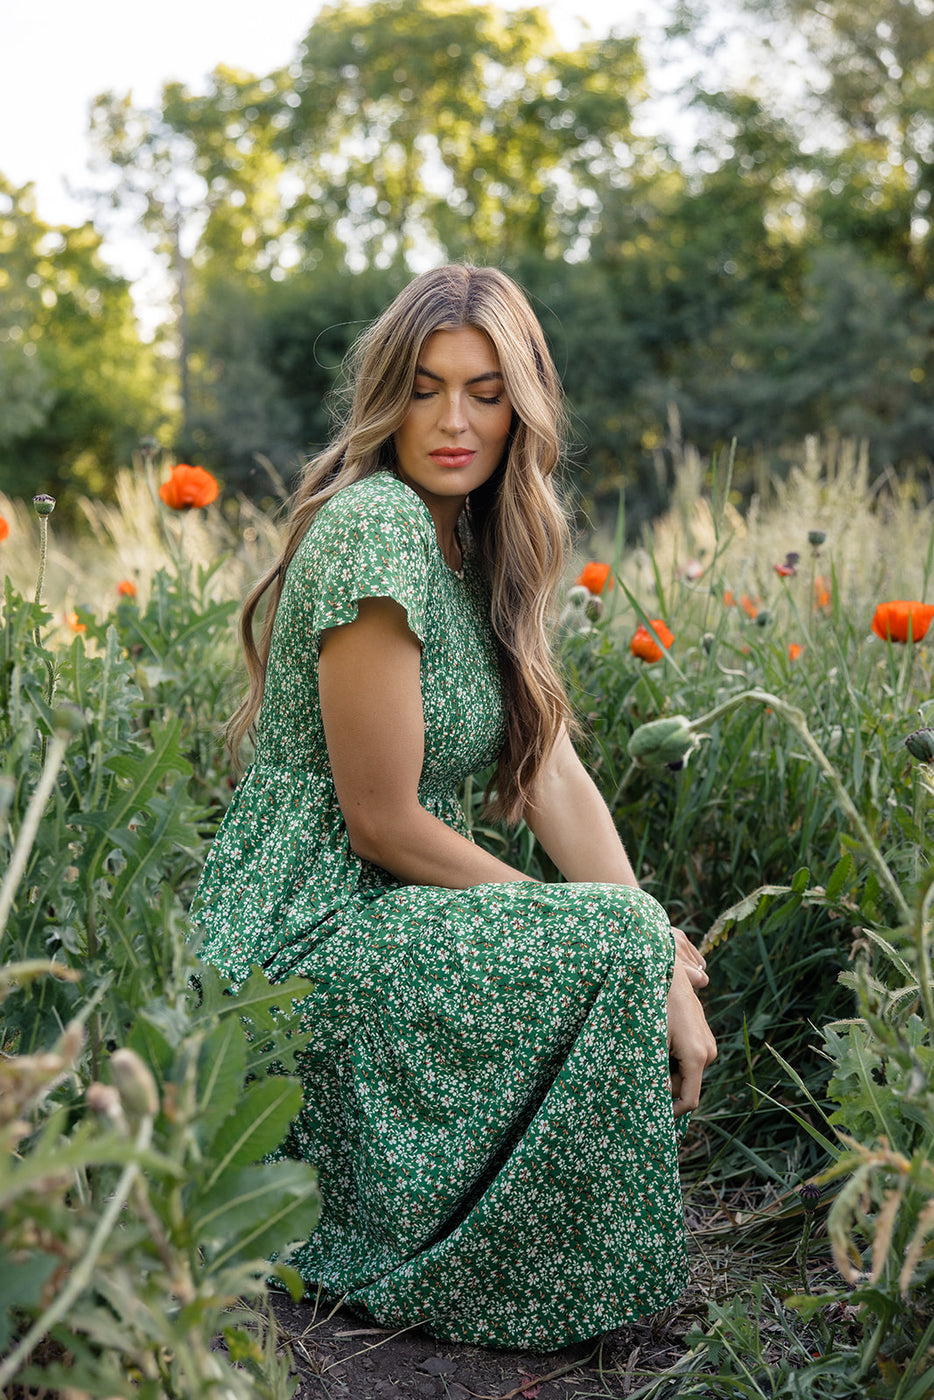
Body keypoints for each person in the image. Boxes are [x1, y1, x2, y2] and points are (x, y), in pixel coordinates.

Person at [192, 263, 716, 1351]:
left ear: (521, 402)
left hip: (392, 908)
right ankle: (494, 1271)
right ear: (390, 393)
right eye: (425, 387)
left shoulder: (477, 538)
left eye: (484, 392)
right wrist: (603, 933)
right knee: (608, 930)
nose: (452, 420)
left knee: (622, 925)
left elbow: (548, 771)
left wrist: (651, 942)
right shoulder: (378, 525)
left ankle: (532, 1251)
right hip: (304, 927)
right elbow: (380, 821)